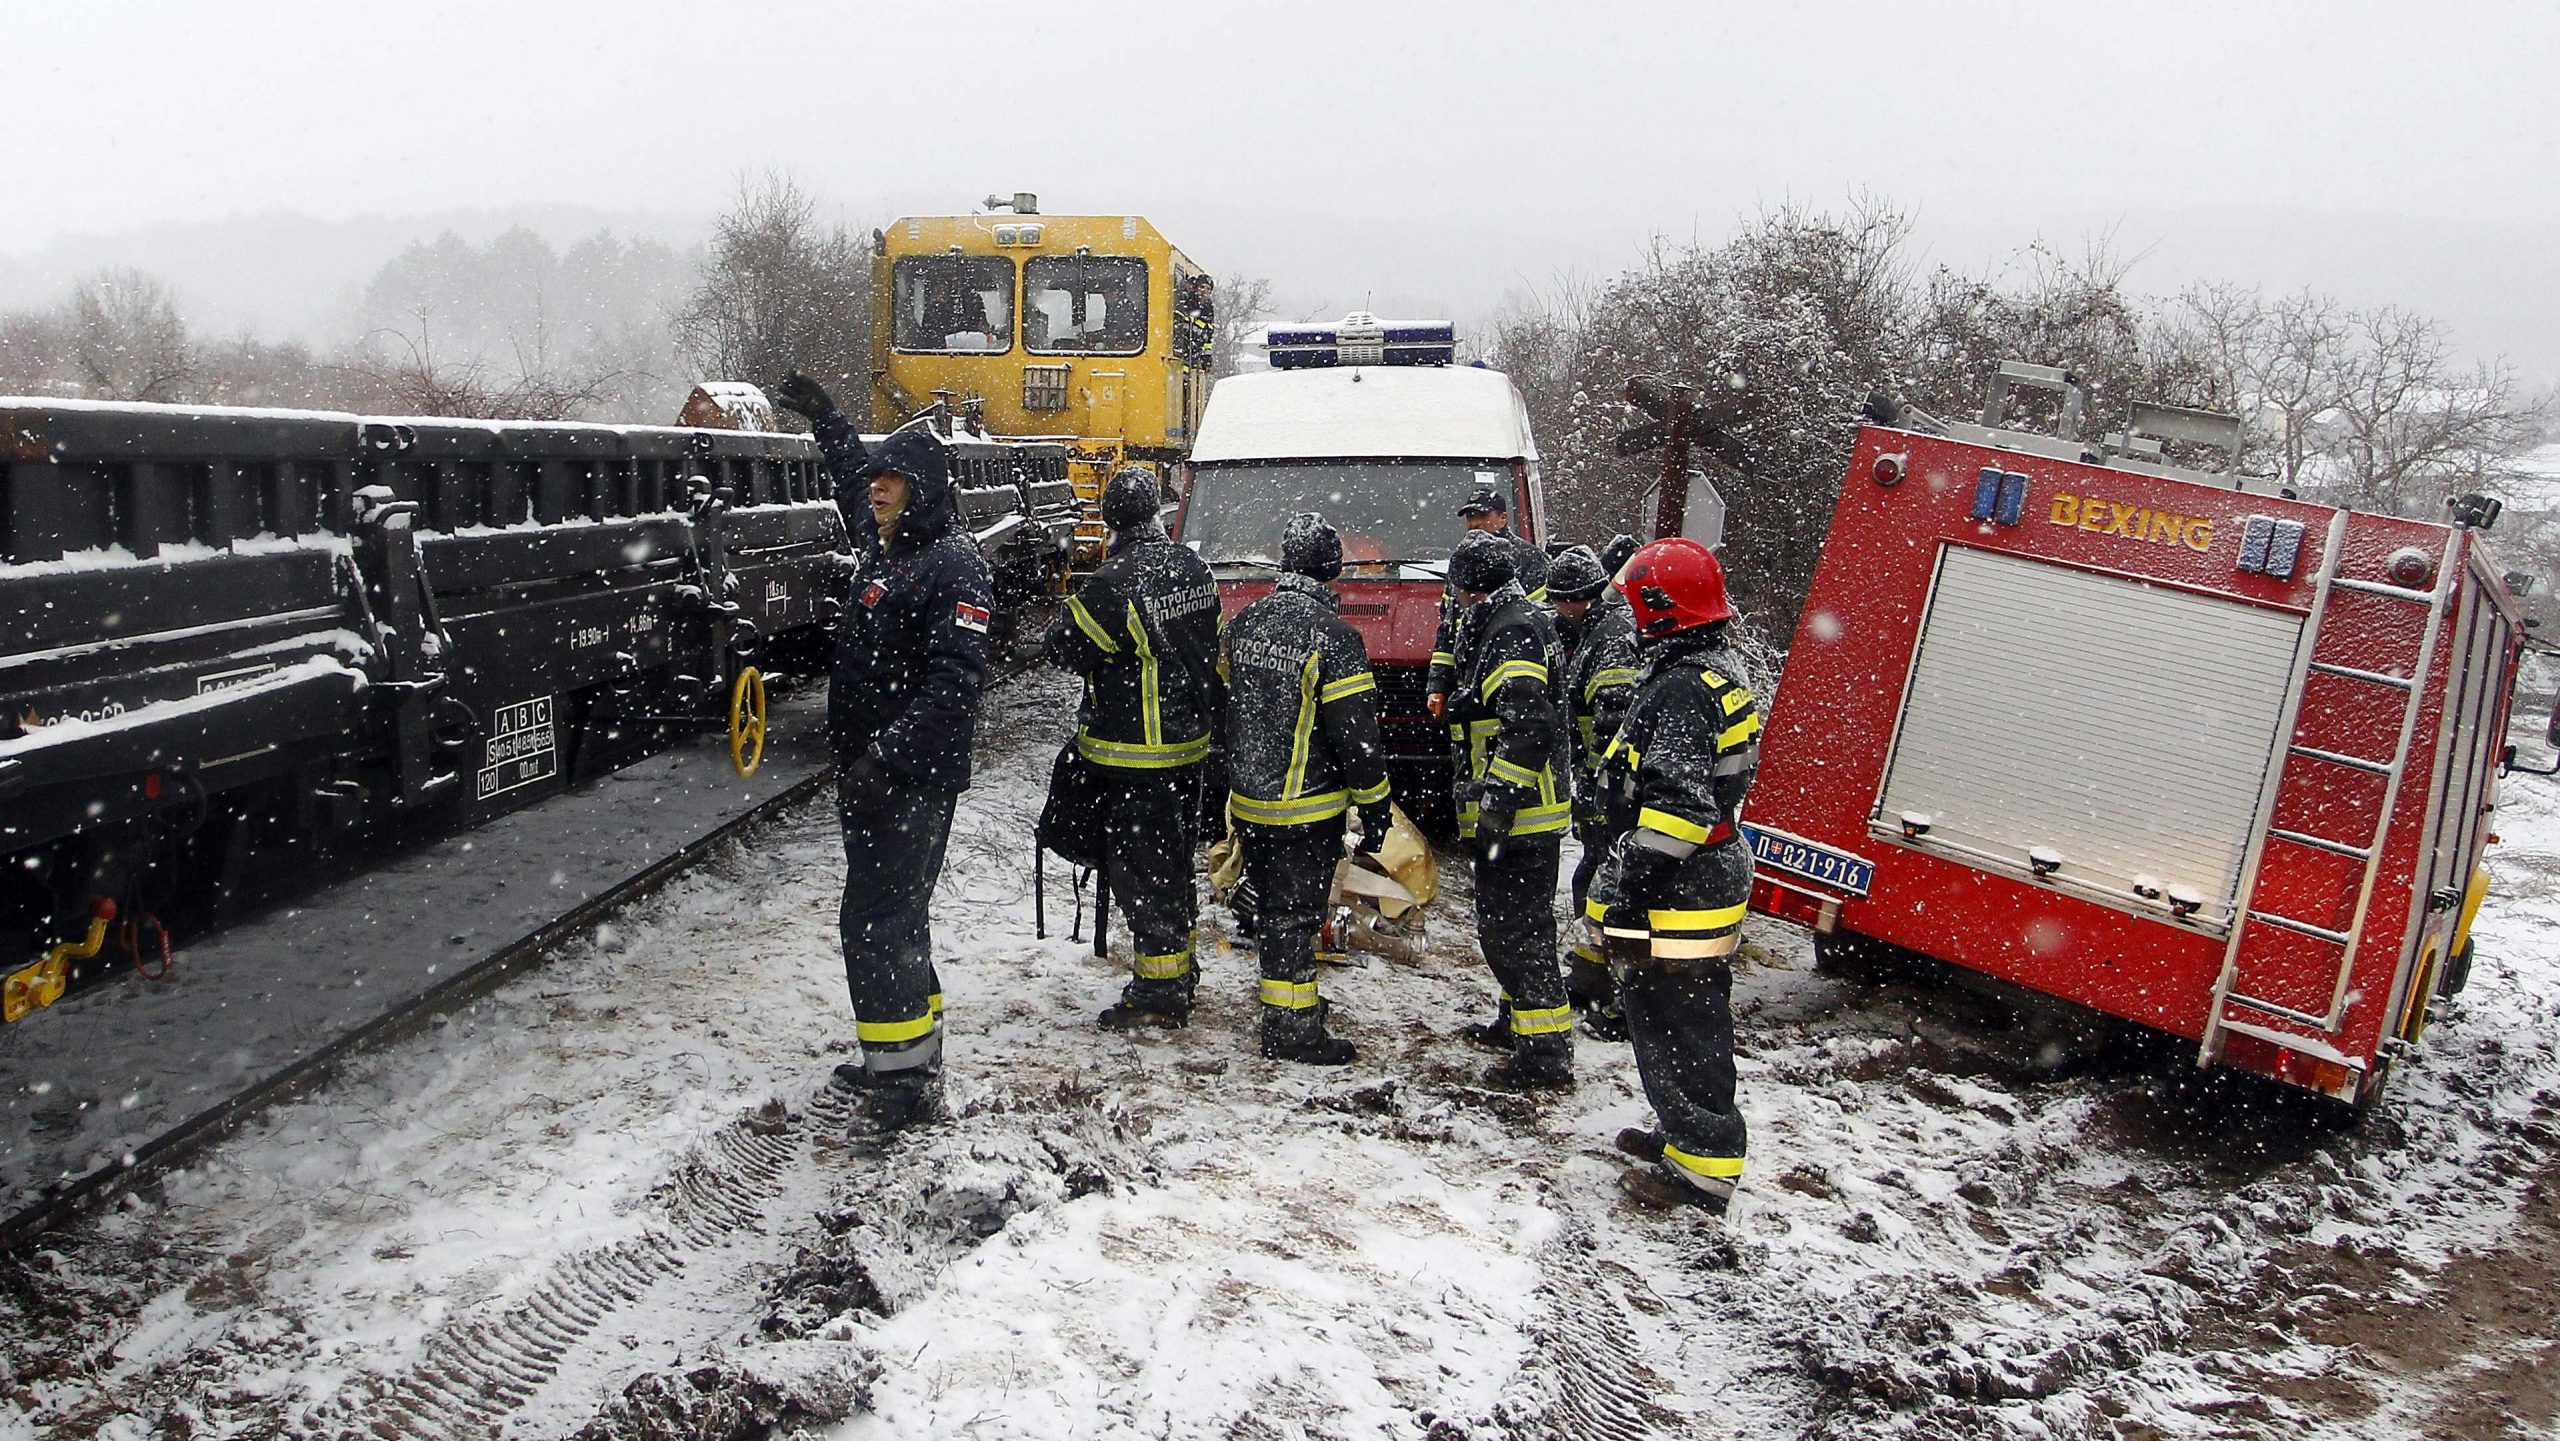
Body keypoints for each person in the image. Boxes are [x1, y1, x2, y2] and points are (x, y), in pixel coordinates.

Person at [773, 373, 994, 1138]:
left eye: (893, 479)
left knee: (874, 922)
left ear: (923, 487)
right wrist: (829, 420)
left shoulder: (953, 566)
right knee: (898, 919)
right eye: (879, 479)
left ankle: (900, 1089)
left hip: (908, 780)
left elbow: (953, 687)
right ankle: (908, 1057)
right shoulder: (889, 543)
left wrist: (884, 759)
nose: (879, 490)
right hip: (876, 777)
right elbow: (846, 484)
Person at [1585, 537, 1761, 1213]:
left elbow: (1679, 811)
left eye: (1636, 603)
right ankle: (1687, 1133)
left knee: (1678, 1018)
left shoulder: (1685, 687)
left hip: (1678, 892)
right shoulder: (1709, 666)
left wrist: (1627, 887)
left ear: (1660, 610)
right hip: (1700, 882)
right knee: (1674, 1015)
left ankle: (1704, 1168)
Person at [1045, 468, 1226, 1029]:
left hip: (1135, 754)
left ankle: (1159, 990)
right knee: (1173, 864)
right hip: (1191, 748)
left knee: (1142, 873)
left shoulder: (1113, 581)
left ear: (1111, 516)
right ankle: (1181, 966)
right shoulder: (1194, 568)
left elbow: (1065, 648)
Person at [1219, 513, 1392, 1065]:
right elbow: (1356, 733)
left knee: (1272, 910)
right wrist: (1377, 806)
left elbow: (1233, 703)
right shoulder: (1334, 639)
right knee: (1295, 915)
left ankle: (1286, 1010)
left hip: (1249, 801)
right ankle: (1292, 1027)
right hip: (1306, 807)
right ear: (1331, 571)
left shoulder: (1244, 624)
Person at [1440, 530, 1576, 1090]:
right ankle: (1517, 1021)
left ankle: (1545, 1053)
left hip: (1523, 814)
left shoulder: (1512, 630)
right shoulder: (1514, 618)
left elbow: (1528, 726)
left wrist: (1497, 801)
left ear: (1474, 586)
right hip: (1522, 810)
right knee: (1514, 923)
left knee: (1515, 929)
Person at [1546, 545, 1641, 1039]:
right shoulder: (1587, 632)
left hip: (1613, 787)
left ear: (1583, 598)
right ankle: (1589, 974)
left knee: (1611, 885)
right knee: (1594, 876)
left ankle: (1622, 994)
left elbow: (1613, 716)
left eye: (1564, 601)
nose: (1559, 610)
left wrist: (1598, 782)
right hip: (1598, 782)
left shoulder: (1611, 642)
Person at [1425, 484, 1551, 720]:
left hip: (1512, 673)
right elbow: (1447, 630)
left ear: (1503, 519)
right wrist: (1438, 685)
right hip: (1468, 681)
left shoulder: (1530, 561)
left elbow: (1543, 623)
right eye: (1470, 517)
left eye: (1483, 515)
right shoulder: (1463, 560)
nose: (1475, 523)